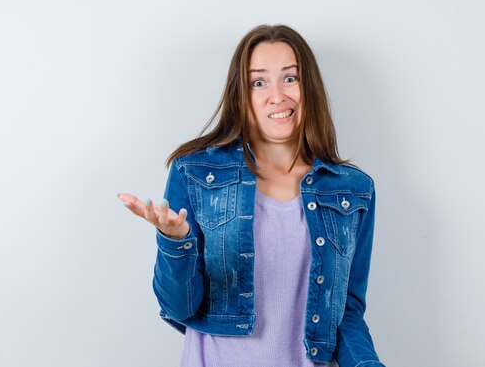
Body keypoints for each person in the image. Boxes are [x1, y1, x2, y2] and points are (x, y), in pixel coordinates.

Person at [118, 24, 385, 367]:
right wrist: (176, 242)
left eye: (290, 78)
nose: (278, 95)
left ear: (310, 87)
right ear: (240, 96)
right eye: (258, 82)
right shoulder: (195, 173)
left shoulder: (352, 189)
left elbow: (345, 313)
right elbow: (177, 307)